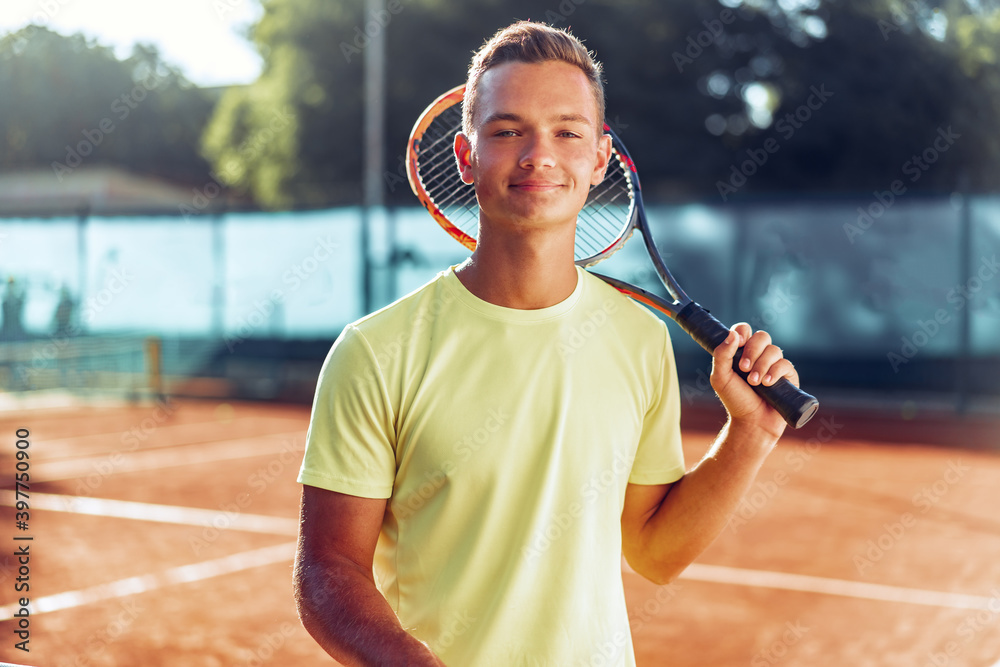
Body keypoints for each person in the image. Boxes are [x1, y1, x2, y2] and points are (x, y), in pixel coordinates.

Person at [294, 21, 799, 666]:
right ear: (465, 156)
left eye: (567, 132)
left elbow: (655, 551)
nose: (540, 156)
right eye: (507, 132)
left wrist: (749, 436)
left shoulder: (640, 340)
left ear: (599, 159)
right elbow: (327, 574)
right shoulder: (375, 351)